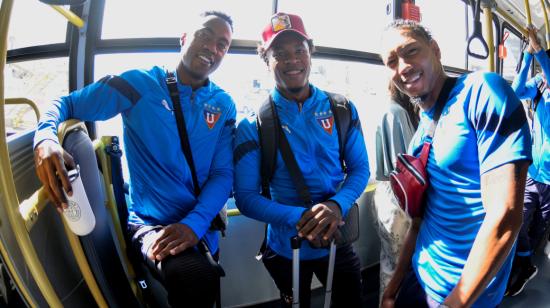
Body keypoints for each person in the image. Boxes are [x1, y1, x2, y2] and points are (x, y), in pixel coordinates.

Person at [33, 11, 235, 307]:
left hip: (202, 227)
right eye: (205, 34)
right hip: (151, 224)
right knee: (193, 276)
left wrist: (194, 225)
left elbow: (222, 174)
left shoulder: (224, 104)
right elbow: (67, 103)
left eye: (222, 44)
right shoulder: (140, 84)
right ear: (184, 38)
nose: (212, 48)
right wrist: (45, 139)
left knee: (207, 284)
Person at [379, 20, 531, 308]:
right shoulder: (421, 136)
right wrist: (393, 286)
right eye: (391, 62)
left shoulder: (483, 92)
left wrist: (455, 302)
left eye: (411, 51)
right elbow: (418, 224)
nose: (402, 66)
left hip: (464, 294)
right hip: (419, 278)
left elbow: (505, 216)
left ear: (435, 50)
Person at [233, 12, 369, 308]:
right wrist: (303, 219)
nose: (292, 60)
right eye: (279, 54)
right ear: (266, 61)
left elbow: (360, 169)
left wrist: (335, 205)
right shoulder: (253, 125)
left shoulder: (341, 109)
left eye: (299, 50)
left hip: (336, 236)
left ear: (311, 52)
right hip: (286, 245)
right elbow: (244, 197)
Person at [506, 25, 550, 296]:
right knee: (517, 218)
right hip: (534, 172)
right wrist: (527, 57)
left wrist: (541, 53)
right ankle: (523, 264)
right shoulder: (541, 85)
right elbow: (516, 91)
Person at [373, 81, 418, 302]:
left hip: (385, 193)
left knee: (389, 262)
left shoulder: (387, 109)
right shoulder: (398, 113)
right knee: (402, 264)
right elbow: (410, 166)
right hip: (399, 197)